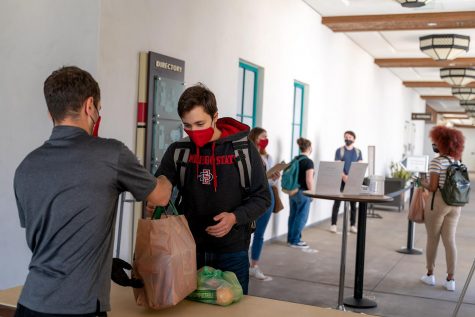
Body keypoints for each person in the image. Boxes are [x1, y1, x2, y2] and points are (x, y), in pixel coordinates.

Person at [13, 66, 173, 316]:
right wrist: (166, 175)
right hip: (81, 307)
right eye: (98, 108)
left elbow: (51, 237)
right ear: (90, 106)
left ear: (50, 113)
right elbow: (161, 196)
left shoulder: (26, 167)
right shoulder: (111, 154)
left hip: (31, 303)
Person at [151, 84, 270, 294]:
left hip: (232, 251)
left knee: (231, 309)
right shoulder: (178, 151)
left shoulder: (243, 150)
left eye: (200, 123)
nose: (194, 132)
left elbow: (262, 198)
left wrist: (235, 217)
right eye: (187, 125)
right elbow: (162, 187)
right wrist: (156, 199)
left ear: (215, 116)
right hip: (187, 249)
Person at [419, 125, 465, 292]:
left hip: (437, 203)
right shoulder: (457, 161)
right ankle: (450, 280)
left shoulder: (436, 162)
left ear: (442, 144)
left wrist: (420, 181)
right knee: (450, 241)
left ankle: (430, 275)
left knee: (433, 239)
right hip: (455, 204)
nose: (434, 144)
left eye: (436, 142)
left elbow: (432, 187)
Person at [248, 127, 280, 281]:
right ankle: (242, 264)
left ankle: (254, 266)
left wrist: (275, 176)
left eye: (267, 136)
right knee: (246, 232)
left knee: (259, 234)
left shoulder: (268, 157)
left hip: (267, 195)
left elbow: (271, 181)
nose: (266, 139)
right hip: (252, 197)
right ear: (255, 137)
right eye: (263, 136)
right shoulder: (248, 154)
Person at [330, 130, 362, 234]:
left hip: (353, 181)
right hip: (341, 180)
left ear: (354, 139)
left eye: (349, 137)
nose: (347, 139)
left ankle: (352, 225)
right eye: (346, 137)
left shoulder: (358, 152)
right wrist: (344, 177)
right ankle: (333, 224)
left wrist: (352, 178)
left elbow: (359, 166)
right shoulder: (339, 151)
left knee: (353, 204)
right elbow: (337, 166)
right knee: (337, 202)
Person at [287, 137, 314, 249]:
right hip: (303, 193)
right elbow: (309, 179)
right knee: (301, 217)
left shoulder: (295, 159)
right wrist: (312, 193)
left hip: (292, 192)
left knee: (293, 216)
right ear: (309, 148)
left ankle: (291, 239)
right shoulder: (308, 162)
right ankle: (296, 240)